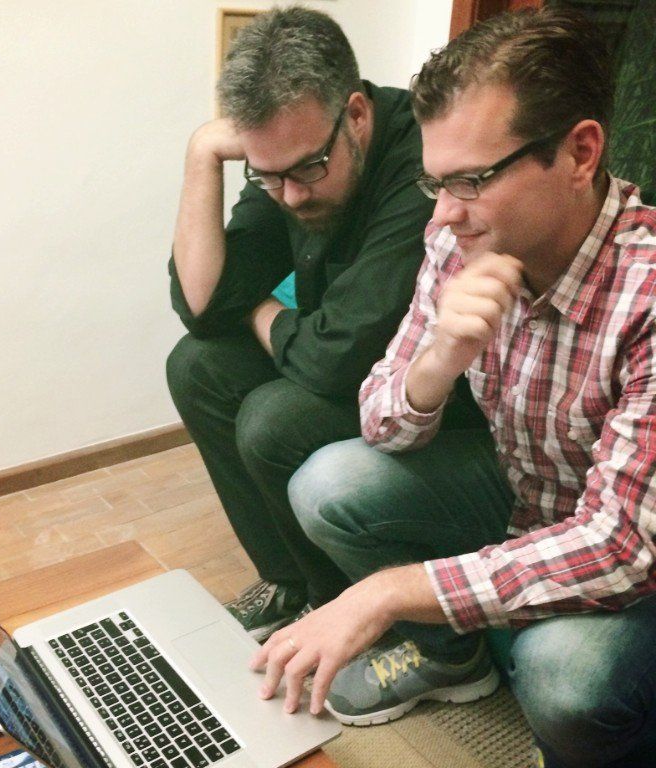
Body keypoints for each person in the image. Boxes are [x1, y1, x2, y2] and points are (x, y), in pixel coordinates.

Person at [252, 8, 656, 768]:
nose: (442, 213)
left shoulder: (648, 290)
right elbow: (379, 416)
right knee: (327, 481)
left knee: (562, 675)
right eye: (434, 181)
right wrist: (438, 359)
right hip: (527, 499)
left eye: (470, 179)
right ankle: (453, 658)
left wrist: (386, 594)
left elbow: (622, 547)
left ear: (579, 151)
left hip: (634, 554)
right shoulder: (460, 238)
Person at [167, 7, 481, 640]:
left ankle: (350, 608)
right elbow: (202, 308)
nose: (291, 195)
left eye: (308, 170)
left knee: (272, 419)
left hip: (440, 400)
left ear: (356, 117)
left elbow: (336, 357)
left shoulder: (419, 165)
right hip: (345, 366)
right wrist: (203, 154)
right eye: (267, 175)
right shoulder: (292, 156)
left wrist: (256, 307)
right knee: (196, 367)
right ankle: (296, 587)